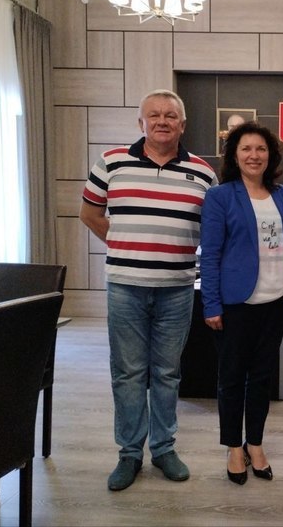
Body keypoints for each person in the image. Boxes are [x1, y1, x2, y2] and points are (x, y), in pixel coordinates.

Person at [80, 89, 218, 491]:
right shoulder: (111, 162)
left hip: (177, 288)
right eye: (153, 115)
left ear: (182, 125)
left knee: (167, 373)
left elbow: (211, 228)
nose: (162, 121)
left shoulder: (203, 173)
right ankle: (129, 453)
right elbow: (90, 213)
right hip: (126, 286)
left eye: (170, 116)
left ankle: (163, 448)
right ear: (140, 122)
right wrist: (126, 243)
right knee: (128, 372)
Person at [199, 121, 283, 485]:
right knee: (231, 378)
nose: (254, 155)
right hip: (236, 303)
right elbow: (210, 254)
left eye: (261, 149)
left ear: (270, 155)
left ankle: (254, 443)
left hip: (276, 299)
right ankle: (233, 447)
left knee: (261, 378)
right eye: (246, 149)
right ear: (234, 155)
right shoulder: (220, 196)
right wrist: (211, 303)